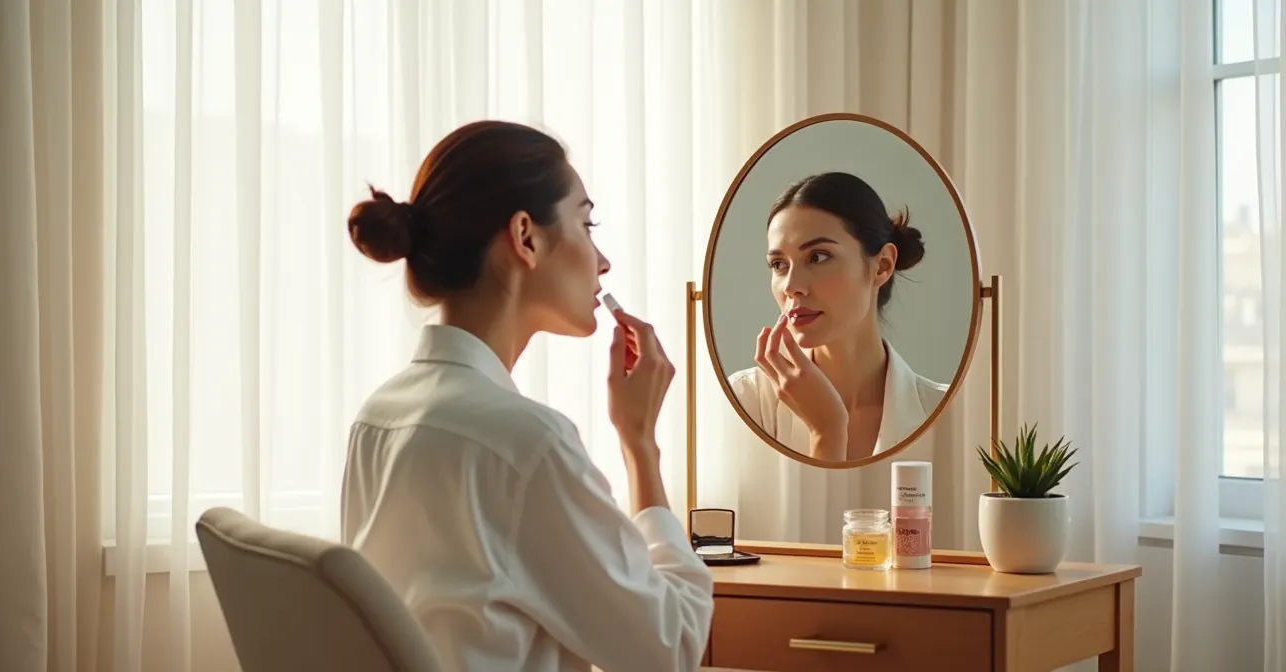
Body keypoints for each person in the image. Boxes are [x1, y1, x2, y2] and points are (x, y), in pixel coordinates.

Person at [339, 120, 712, 671]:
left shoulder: (377, 418)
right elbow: (671, 650)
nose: (603, 260)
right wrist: (640, 446)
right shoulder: (529, 445)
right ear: (526, 237)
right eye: (588, 224)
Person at [727, 171, 947, 463]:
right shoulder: (748, 401)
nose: (791, 286)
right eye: (778, 264)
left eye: (817, 257)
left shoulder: (944, 412)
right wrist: (826, 431)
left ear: (882, 265)